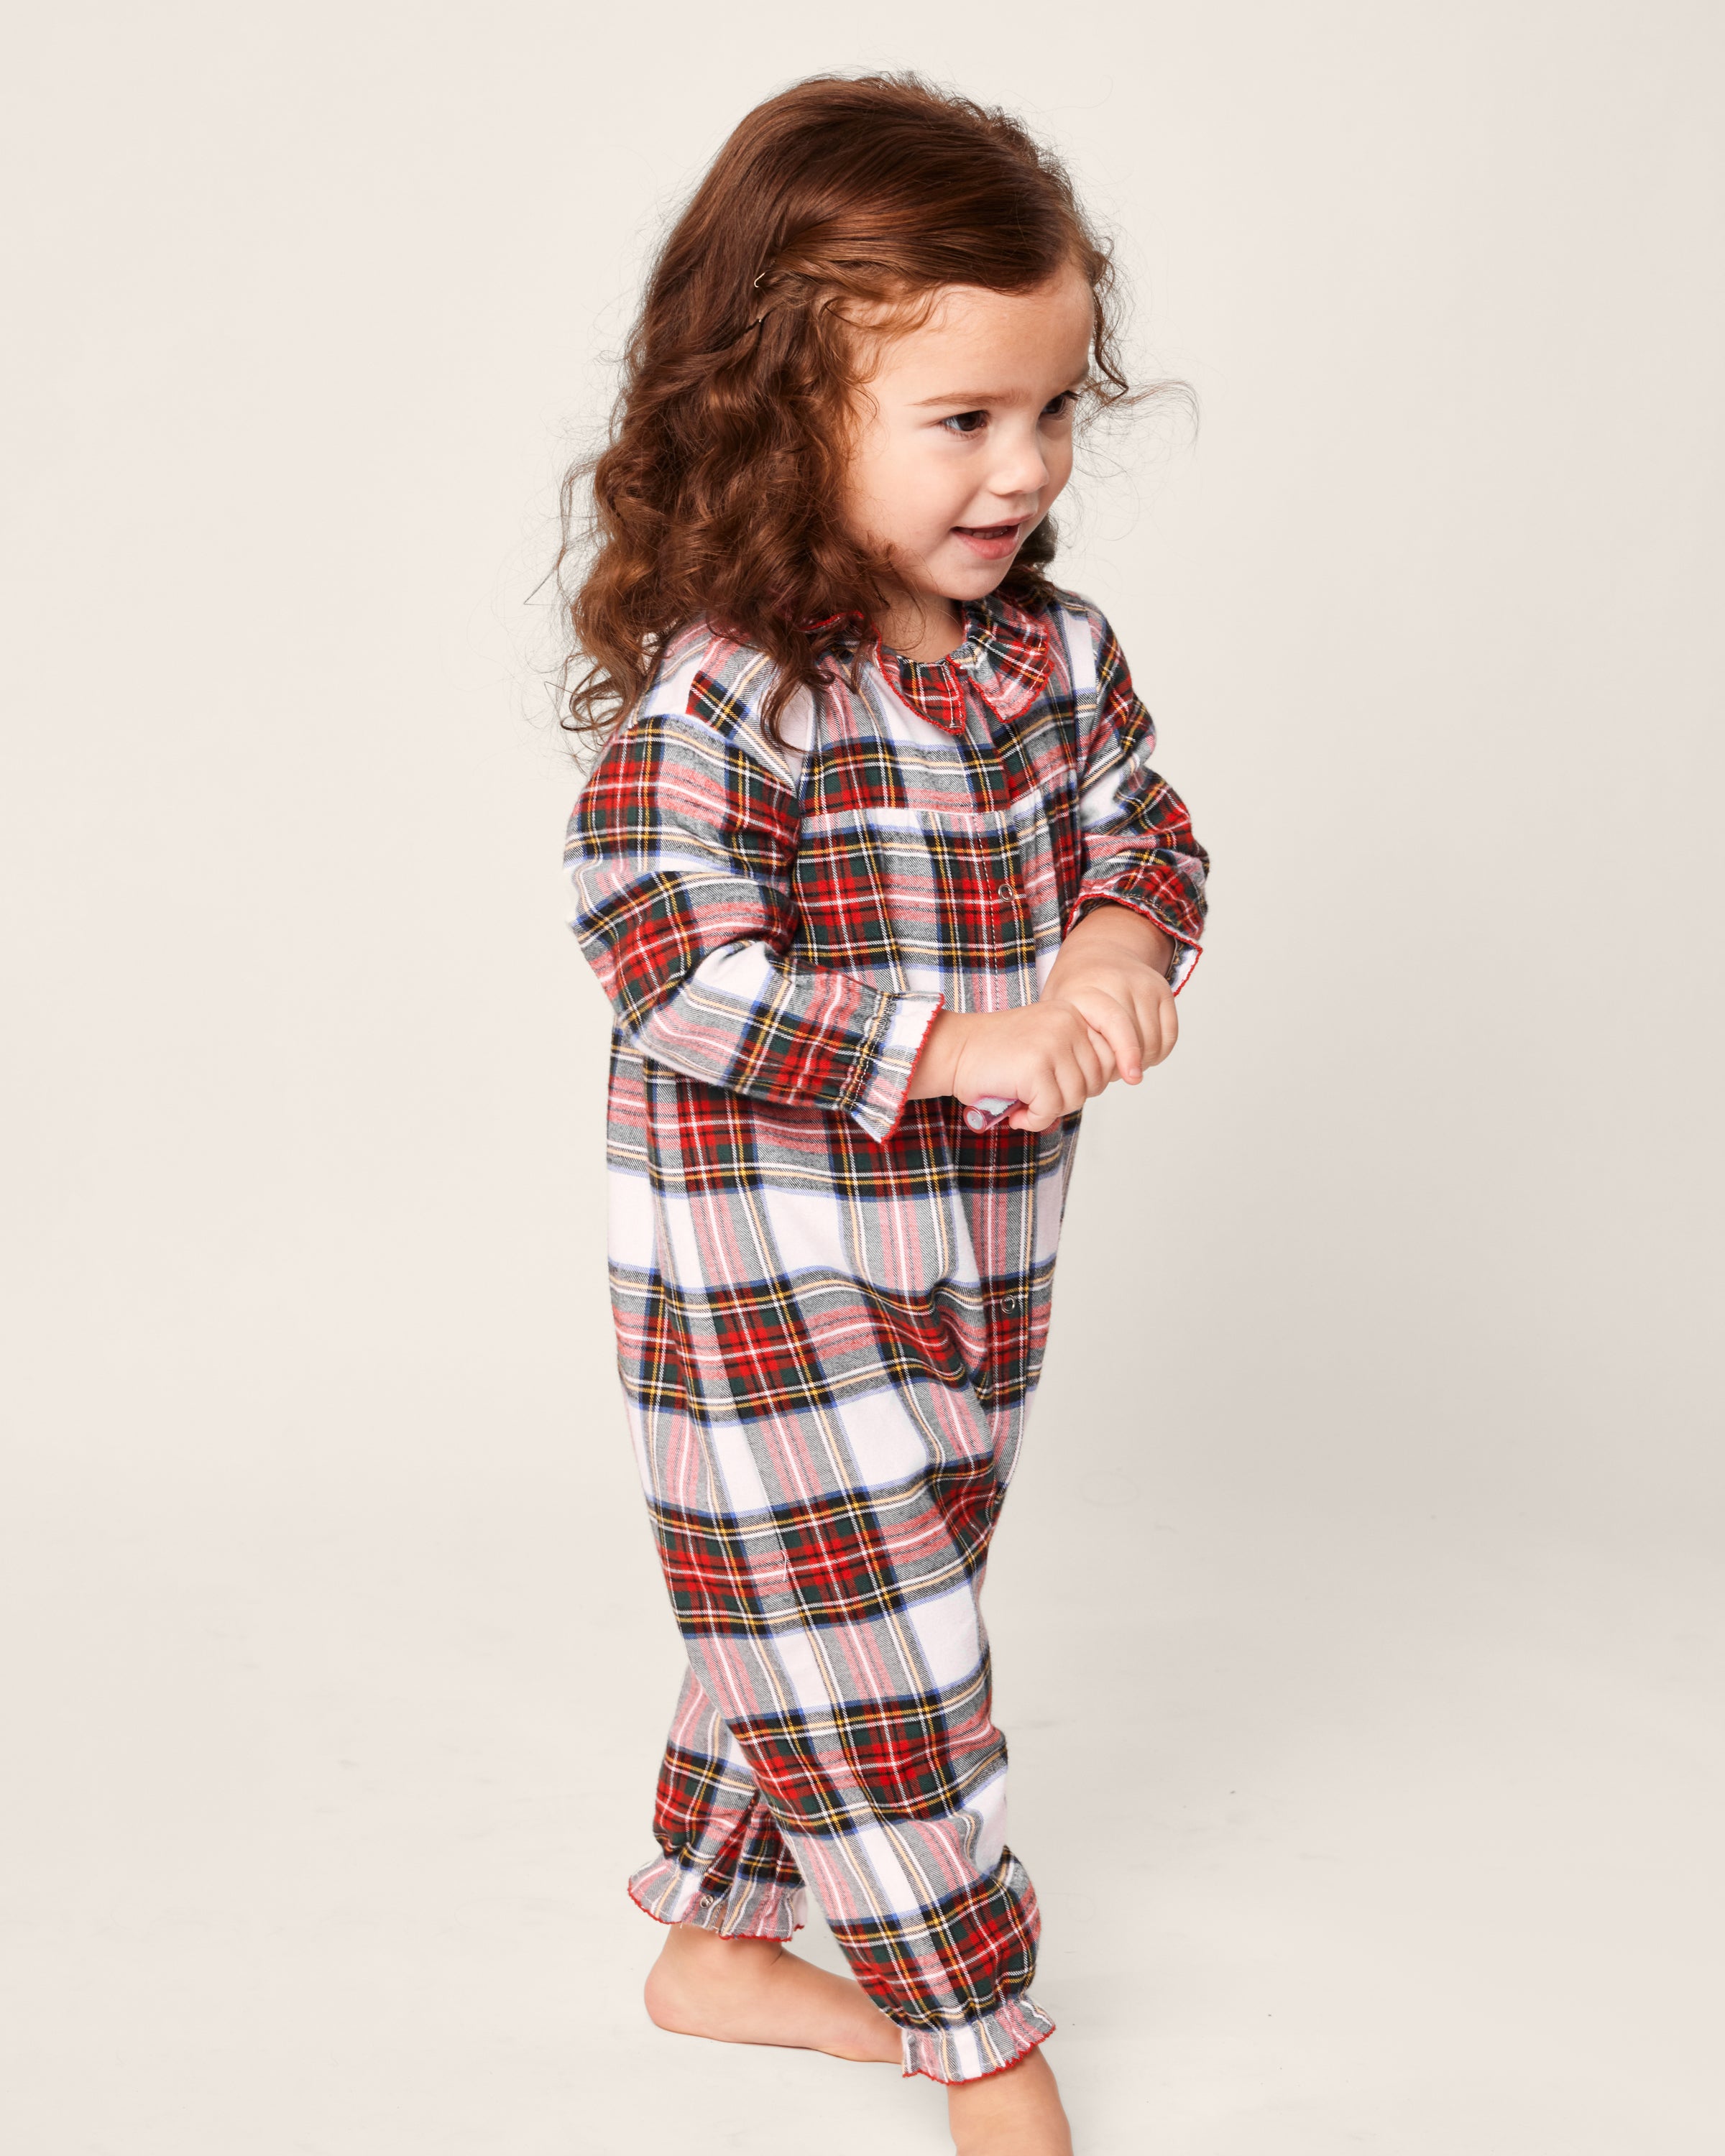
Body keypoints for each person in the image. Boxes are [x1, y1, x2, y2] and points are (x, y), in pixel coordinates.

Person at [560, 72, 1209, 2156]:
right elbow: (667, 957)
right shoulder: (734, 689)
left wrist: (1115, 950)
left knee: (840, 1588)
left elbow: (1149, 834)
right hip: (765, 1264)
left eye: (1047, 410)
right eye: (960, 420)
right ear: (778, 410)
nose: (1021, 468)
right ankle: (984, 2042)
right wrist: (954, 1040)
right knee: (889, 1642)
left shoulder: (1055, 658)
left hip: (979, 1263)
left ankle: (720, 1940)